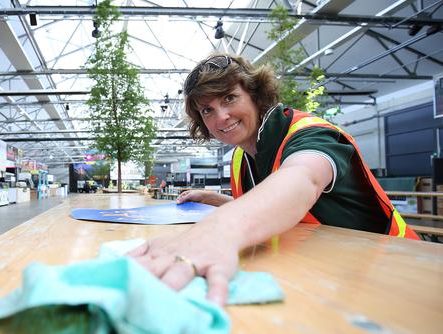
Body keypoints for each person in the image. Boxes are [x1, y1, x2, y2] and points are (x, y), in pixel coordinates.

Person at [128, 53, 419, 305]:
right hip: (325, 274)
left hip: (399, 271)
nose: (222, 117)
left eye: (230, 98)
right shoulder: (242, 157)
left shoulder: (310, 133)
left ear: (255, 95)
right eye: (207, 110)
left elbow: (303, 179)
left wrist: (216, 232)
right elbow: (288, 210)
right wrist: (220, 201)